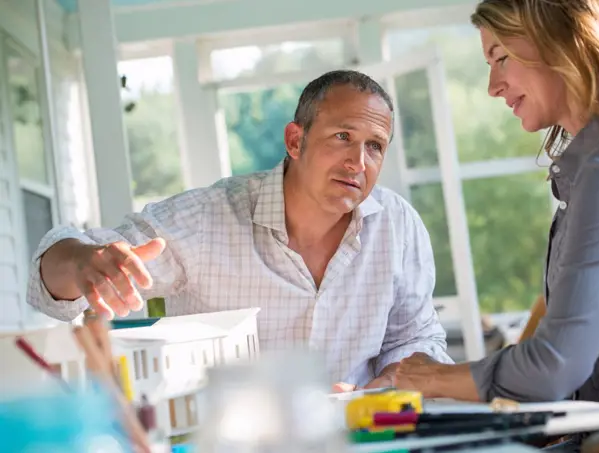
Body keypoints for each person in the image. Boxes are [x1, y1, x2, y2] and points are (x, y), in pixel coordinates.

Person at [27, 70, 452, 388]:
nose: (358, 163)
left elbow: (415, 335)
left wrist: (393, 380)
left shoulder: (398, 226)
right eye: (343, 136)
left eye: (374, 146)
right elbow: (50, 285)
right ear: (295, 141)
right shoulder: (205, 218)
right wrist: (81, 262)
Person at [394, 0, 599, 407]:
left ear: (563, 43)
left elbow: (554, 366)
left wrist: (431, 377)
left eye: (501, 58)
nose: (492, 86)